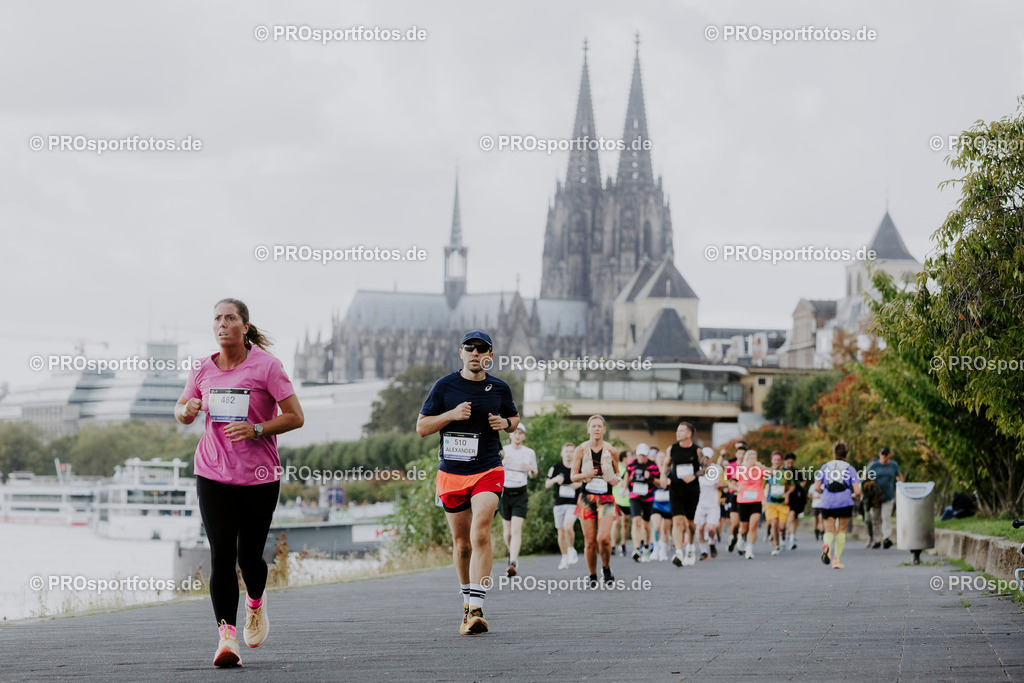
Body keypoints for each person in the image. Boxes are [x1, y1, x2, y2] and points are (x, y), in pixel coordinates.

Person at [175, 298, 305, 668]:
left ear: (245, 326)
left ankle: (256, 603)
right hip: (213, 472)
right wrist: (185, 410)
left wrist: (257, 428)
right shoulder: (202, 368)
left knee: (249, 557)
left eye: (230, 318)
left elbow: (296, 417)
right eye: (217, 318)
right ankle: (226, 638)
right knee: (221, 555)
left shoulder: (266, 366)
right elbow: (182, 408)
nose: (222, 324)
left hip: (259, 476)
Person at [418, 330, 519, 635]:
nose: (476, 353)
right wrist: (451, 414)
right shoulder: (445, 386)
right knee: (462, 545)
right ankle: (466, 604)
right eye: (470, 349)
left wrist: (506, 424)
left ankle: (477, 608)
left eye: (482, 349)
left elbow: (514, 420)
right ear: (460, 353)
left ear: (490, 355)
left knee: (481, 532)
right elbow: (422, 427)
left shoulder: (499, 388)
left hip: (488, 469)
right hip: (452, 473)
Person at [570, 414, 621, 585]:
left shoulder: (612, 450)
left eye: (600, 426)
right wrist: (587, 474)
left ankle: (606, 568)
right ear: (588, 429)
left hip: (606, 497)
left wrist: (616, 480)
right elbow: (573, 477)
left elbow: (618, 473)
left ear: (604, 429)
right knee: (590, 542)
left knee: (603, 539)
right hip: (586, 498)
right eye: (594, 426)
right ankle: (592, 575)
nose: (597, 429)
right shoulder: (581, 450)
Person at [813, 441, 862, 570]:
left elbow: (816, 487)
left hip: (827, 502)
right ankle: (836, 560)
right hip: (845, 501)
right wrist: (854, 495)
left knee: (829, 530)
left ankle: (826, 545)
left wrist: (825, 492)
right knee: (841, 530)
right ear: (846, 453)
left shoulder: (825, 467)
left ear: (834, 453)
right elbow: (857, 491)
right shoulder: (850, 468)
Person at [499, 423, 538, 576]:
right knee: (507, 532)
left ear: (524, 436)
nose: (517, 435)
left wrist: (530, 470)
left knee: (516, 530)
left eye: (521, 433)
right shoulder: (503, 451)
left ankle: (513, 562)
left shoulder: (529, 453)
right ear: (510, 435)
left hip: (520, 493)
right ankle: (510, 551)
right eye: (515, 433)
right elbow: (494, 470)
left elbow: (534, 473)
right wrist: (503, 463)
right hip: (505, 492)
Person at [665, 422, 702, 567]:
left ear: (689, 434)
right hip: (676, 488)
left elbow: (706, 468)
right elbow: (667, 465)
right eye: (677, 430)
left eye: (681, 431)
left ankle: (691, 547)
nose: (677, 433)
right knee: (677, 520)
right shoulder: (672, 449)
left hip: (692, 490)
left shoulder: (697, 451)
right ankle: (679, 552)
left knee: (690, 524)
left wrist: (694, 475)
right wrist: (663, 475)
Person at [545, 442, 581, 570]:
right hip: (559, 504)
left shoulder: (577, 467)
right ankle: (564, 557)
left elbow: (586, 480)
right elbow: (547, 484)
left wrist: (579, 484)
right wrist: (555, 480)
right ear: (562, 453)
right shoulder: (556, 467)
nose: (569, 454)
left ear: (574, 453)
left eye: (571, 451)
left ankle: (571, 549)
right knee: (560, 532)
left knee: (568, 526)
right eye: (566, 451)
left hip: (573, 503)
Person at [866, 447, 903, 549]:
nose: (884, 456)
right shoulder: (874, 465)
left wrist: (900, 484)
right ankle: (877, 540)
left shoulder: (893, 465)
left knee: (886, 517)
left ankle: (886, 538)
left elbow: (899, 476)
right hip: (876, 497)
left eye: (886, 454)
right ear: (880, 454)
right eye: (882, 454)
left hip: (888, 496)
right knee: (875, 518)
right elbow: (865, 477)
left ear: (889, 455)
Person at [627, 443, 659, 562]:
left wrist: (650, 477)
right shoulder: (632, 464)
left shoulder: (653, 466)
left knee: (646, 524)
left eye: (644, 455)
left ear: (647, 456)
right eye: (640, 455)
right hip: (635, 496)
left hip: (648, 498)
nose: (642, 457)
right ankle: (636, 549)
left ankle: (646, 547)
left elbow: (659, 482)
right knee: (636, 521)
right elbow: (627, 475)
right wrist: (624, 488)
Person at [732, 449, 765, 559]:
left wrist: (762, 466)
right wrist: (737, 487)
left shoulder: (759, 470)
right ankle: (741, 538)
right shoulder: (741, 470)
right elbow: (731, 484)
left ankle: (749, 550)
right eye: (751, 458)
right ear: (746, 459)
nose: (753, 460)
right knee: (744, 528)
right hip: (743, 501)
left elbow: (773, 473)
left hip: (756, 501)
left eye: (755, 458)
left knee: (753, 525)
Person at [694, 447, 724, 560]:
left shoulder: (718, 469)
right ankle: (703, 551)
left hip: (713, 504)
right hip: (700, 504)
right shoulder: (697, 470)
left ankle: (711, 542)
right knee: (700, 528)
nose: (706, 460)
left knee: (711, 528)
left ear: (711, 458)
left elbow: (727, 483)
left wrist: (720, 485)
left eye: (708, 457)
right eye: (704, 457)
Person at [763, 452, 793, 556]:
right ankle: (777, 545)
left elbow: (792, 485)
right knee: (774, 524)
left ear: (781, 461)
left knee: (782, 526)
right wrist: (763, 498)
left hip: (783, 504)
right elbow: (762, 486)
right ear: (771, 460)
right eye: (774, 459)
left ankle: (783, 537)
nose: (776, 461)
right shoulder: (767, 473)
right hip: (771, 503)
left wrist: (788, 493)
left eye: (778, 460)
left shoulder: (787, 472)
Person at [649, 447, 672, 561]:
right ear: (656, 459)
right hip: (655, 502)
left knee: (665, 528)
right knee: (656, 526)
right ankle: (655, 548)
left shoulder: (670, 471)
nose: (662, 460)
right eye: (660, 457)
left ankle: (663, 549)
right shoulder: (652, 470)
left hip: (668, 503)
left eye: (664, 458)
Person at [725, 442, 746, 552]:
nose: (741, 455)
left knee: (743, 522)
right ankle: (732, 537)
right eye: (739, 453)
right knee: (734, 523)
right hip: (733, 495)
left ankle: (740, 542)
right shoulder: (731, 465)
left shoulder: (749, 467)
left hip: (746, 496)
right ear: (736, 454)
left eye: (743, 453)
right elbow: (728, 480)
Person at [612, 451, 632, 557]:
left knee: (625, 522)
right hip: (616, 498)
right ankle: (613, 546)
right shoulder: (616, 467)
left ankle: (623, 544)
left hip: (627, 499)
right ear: (624, 458)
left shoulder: (631, 468)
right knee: (616, 523)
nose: (631, 458)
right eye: (629, 456)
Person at [782, 453, 804, 550]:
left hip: (794, 497)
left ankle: (791, 537)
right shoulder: (781, 471)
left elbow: (803, 481)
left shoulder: (796, 471)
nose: (790, 464)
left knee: (793, 517)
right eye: (788, 462)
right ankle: (784, 533)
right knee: (784, 519)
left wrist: (799, 488)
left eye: (791, 462)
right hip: (782, 496)